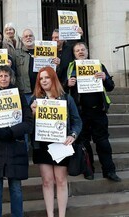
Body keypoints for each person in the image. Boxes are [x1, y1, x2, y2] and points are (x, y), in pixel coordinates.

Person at [0, 65, 34, 217]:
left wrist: (12, 131)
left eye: (6, 76)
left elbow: (29, 122)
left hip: (15, 147)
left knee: (16, 188)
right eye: (1, 76)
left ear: (11, 78)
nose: (4, 78)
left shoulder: (20, 96)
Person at [65, 42, 121, 182]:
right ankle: (88, 170)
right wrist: (67, 84)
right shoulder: (70, 68)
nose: (80, 52)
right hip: (80, 113)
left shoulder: (99, 66)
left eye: (82, 49)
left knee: (103, 143)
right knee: (84, 143)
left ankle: (109, 171)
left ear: (87, 51)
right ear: (74, 53)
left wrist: (105, 78)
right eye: (77, 50)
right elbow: (61, 89)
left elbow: (110, 87)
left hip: (98, 111)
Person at [30, 66, 82, 217]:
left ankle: (62, 215)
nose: (44, 80)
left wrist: (73, 134)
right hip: (42, 145)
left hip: (61, 144)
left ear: (53, 79)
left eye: (47, 77)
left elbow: (77, 121)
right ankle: (50, 215)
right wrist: (32, 112)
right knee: (47, 181)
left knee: (60, 180)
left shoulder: (66, 98)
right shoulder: (35, 100)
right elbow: (27, 125)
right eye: (41, 78)